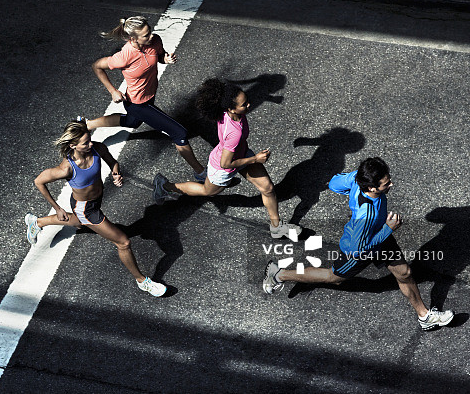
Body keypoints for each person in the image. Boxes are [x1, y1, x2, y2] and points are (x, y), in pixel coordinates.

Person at [263, 157, 454, 331]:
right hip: (361, 244)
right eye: (386, 184)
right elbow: (358, 251)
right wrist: (388, 229)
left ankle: (424, 316)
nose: (391, 184)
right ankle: (279, 274)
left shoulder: (357, 178)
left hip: (380, 236)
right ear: (372, 188)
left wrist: (382, 228)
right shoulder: (366, 215)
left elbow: (334, 183)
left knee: (405, 272)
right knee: (334, 277)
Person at [24, 119, 166, 297]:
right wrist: (57, 208)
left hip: (96, 200)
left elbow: (113, 162)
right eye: (85, 143)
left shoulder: (97, 148)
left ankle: (37, 221)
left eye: (90, 139)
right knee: (123, 242)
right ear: (73, 145)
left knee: (79, 223)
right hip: (86, 209)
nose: (90, 143)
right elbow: (39, 181)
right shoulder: (66, 168)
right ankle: (142, 281)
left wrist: (116, 173)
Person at [152, 78, 300, 239]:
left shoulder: (228, 112)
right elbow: (225, 163)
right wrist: (255, 159)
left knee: (268, 188)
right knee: (206, 191)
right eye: (244, 105)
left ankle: (277, 227)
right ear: (231, 109)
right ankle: (164, 186)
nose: (248, 105)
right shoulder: (233, 133)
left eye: (247, 101)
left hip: (241, 154)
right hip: (223, 167)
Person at [84, 16, 206, 180]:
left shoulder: (154, 41)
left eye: (150, 32)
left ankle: (88, 124)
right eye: (146, 35)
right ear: (133, 39)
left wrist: (166, 59)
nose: (151, 36)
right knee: (179, 132)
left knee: (132, 122)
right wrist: (113, 91)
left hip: (149, 95)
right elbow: (97, 66)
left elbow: (159, 55)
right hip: (136, 103)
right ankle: (200, 173)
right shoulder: (124, 56)